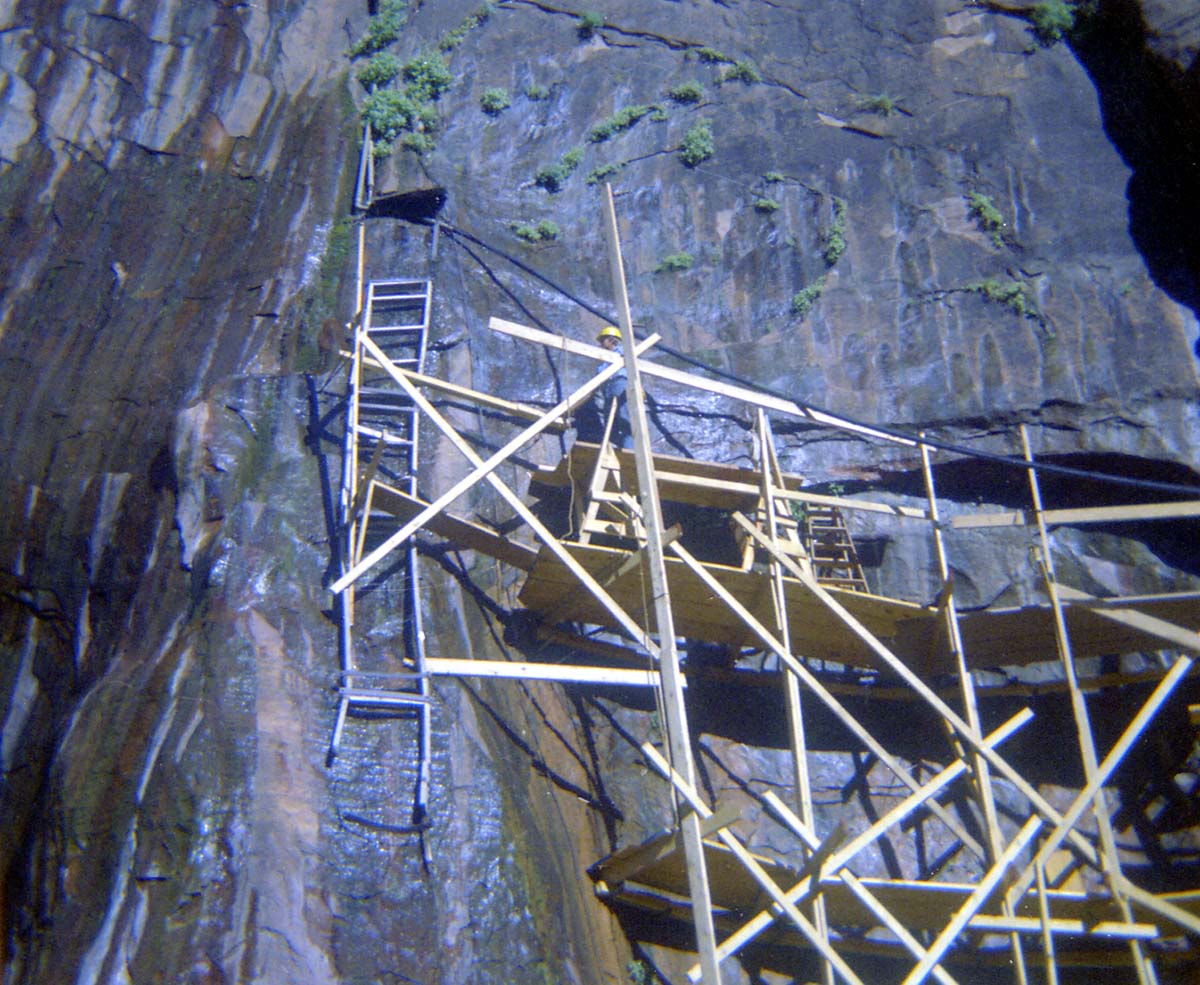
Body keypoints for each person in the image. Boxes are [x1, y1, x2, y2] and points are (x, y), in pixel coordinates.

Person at [596, 325, 631, 449]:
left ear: (611, 340)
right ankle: (614, 447)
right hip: (608, 389)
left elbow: (629, 356)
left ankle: (630, 448)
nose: (600, 344)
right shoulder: (603, 362)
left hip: (619, 383)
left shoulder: (621, 352)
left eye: (603, 340)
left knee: (624, 416)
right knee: (610, 421)